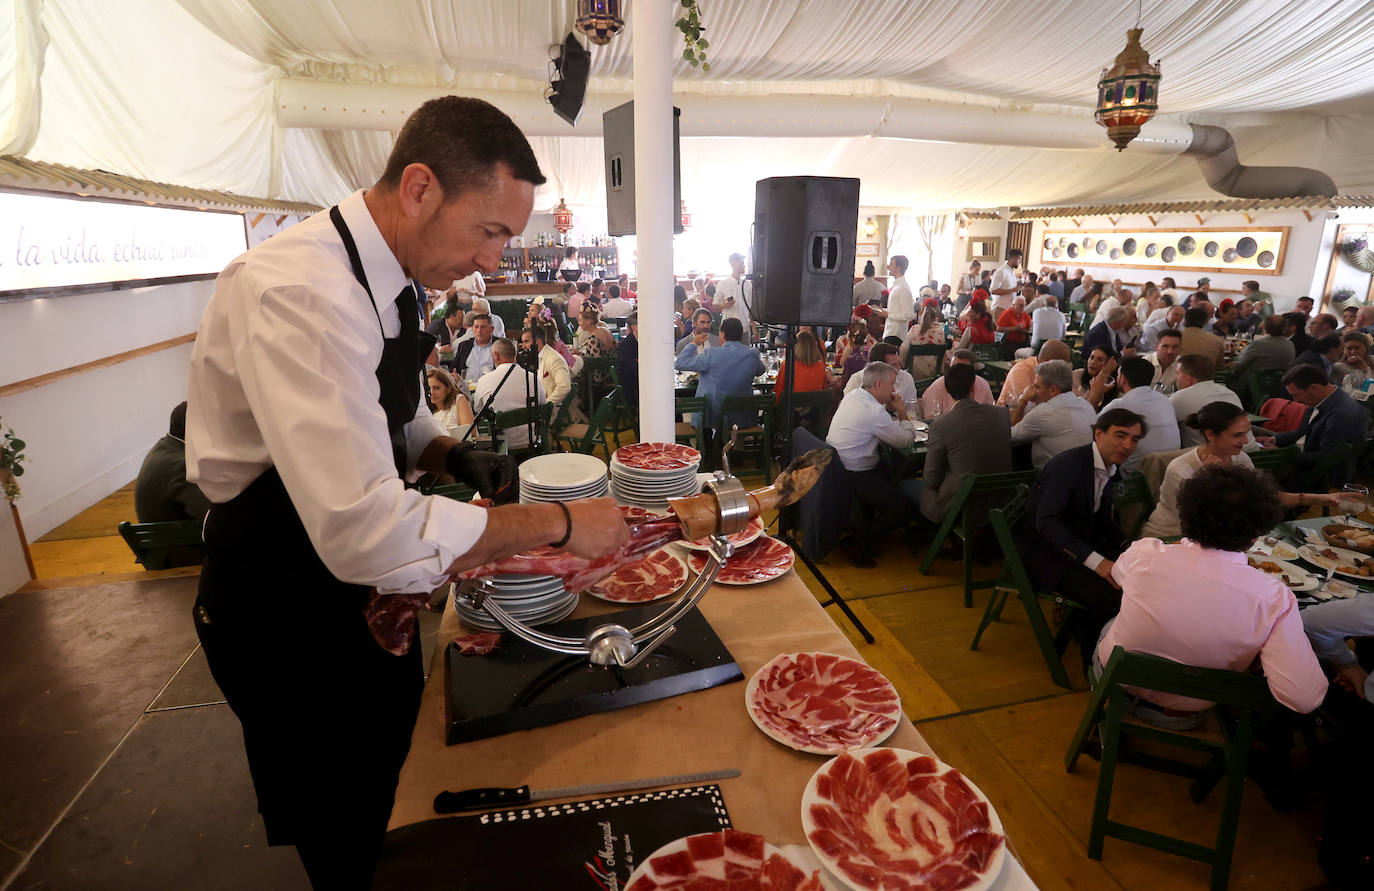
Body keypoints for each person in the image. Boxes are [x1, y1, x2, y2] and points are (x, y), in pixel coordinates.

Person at [183, 96, 628, 886]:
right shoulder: (297, 292)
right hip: (286, 607)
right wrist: (556, 523)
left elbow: (397, 408)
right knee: (352, 835)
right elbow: (365, 531)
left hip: (357, 598)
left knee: (401, 787)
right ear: (420, 188)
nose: (495, 261)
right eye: (490, 232)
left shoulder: (394, 272)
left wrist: (450, 453)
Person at [1101, 464, 1327, 729]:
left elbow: (1118, 574)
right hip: (1189, 713)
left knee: (1113, 623)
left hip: (1117, 686)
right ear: (1256, 536)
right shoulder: (1274, 599)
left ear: (1185, 515)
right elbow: (1304, 698)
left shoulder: (1144, 555)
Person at [1015, 409, 1144, 668]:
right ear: (1098, 433)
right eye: (1120, 435)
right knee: (1115, 595)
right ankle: (1095, 664)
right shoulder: (1069, 466)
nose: (1128, 445)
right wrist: (1098, 563)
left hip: (1074, 544)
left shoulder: (1109, 466)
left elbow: (1102, 519)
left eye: (1134, 439)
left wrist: (1130, 547)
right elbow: (1046, 523)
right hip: (1043, 554)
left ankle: (1101, 640)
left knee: (1141, 579)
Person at [1143, 402, 1338, 539]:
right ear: (1210, 434)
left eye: (1247, 433)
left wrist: (1324, 499)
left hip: (1217, 538)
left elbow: (1261, 496)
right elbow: (1209, 519)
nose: (1245, 441)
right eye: (1237, 435)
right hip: (1171, 539)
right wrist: (1214, 479)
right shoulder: (1181, 469)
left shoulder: (1239, 457)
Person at [826, 361, 919, 566]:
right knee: (903, 508)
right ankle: (860, 540)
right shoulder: (874, 412)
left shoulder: (853, 396)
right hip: (855, 473)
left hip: (836, 466)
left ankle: (862, 529)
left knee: (891, 469)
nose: (894, 389)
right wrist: (902, 411)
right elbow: (906, 440)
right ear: (878, 385)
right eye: (892, 384)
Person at [919, 364, 1011, 523]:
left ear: (946, 391)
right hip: (1001, 500)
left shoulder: (940, 425)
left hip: (961, 505)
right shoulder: (1002, 414)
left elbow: (932, 479)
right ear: (974, 387)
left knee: (909, 486)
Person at [1258, 363, 1368, 487]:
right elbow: (1303, 431)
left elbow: (1325, 457)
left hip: (1323, 474)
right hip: (1306, 458)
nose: (1296, 400)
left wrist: (1283, 454)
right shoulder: (1320, 399)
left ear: (1315, 388)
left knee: (1257, 475)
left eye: (1297, 395)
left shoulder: (1341, 415)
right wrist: (1275, 439)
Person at [674, 316, 765, 434]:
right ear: (741, 334)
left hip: (714, 416)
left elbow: (680, 363)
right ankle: (734, 450)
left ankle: (709, 447)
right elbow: (761, 371)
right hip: (742, 416)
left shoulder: (711, 354)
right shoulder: (752, 354)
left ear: (722, 334)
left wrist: (694, 343)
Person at [1098, 356, 1180, 474]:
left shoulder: (1121, 405)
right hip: (1168, 469)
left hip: (1135, 475)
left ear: (1123, 379)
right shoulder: (1164, 400)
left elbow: (1091, 429)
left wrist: (1095, 396)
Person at [135, 401, 212, 527]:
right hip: (181, 544)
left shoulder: (164, 448)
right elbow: (210, 513)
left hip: (162, 541)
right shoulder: (181, 465)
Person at [1009, 358, 1097, 467]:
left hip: (1054, 478)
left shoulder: (1043, 413)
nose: (1034, 391)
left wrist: (1023, 400)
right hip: (1085, 474)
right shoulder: (1086, 405)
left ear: (1052, 390)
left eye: (1037, 387)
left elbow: (1009, 437)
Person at [472, 338, 546, 451]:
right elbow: (541, 405)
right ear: (515, 355)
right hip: (533, 443)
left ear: (495, 356)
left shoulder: (484, 381)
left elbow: (478, 410)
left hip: (502, 447)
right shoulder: (533, 378)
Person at [1168, 354, 1243, 446]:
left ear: (1188, 379)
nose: (1176, 378)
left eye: (1178, 373)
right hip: (1253, 454)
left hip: (1213, 457)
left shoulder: (1180, 397)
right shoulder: (1231, 393)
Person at [1228, 313, 1296, 399]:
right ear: (1284, 328)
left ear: (1264, 327)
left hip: (1249, 390)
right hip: (1275, 390)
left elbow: (1238, 367)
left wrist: (1230, 366)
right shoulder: (1290, 344)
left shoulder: (1257, 344)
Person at [919, 348, 992, 417]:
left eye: (962, 370)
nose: (956, 373)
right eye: (953, 369)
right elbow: (931, 419)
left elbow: (989, 414)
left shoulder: (983, 385)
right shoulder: (937, 387)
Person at [845, 342, 918, 407]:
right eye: (893, 365)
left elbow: (911, 409)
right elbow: (848, 408)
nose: (899, 367)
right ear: (878, 367)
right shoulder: (856, 380)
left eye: (898, 362)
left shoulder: (906, 378)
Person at [999, 339, 1069, 407]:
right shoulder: (1021, 370)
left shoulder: (1056, 373)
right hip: (1008, 415)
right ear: (1050, 362)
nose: (1065, 368)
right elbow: (1026, 406)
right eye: (1063, 364)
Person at [520, 324, 572, 412]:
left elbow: (564, 387)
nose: (523, 346)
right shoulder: (531, 359)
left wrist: (546, 406)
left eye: (526, 342)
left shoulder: (554, 359)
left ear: (538, 342)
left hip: (551, 412)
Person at [774, 329, 833, 403]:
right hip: (814, 411)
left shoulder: (789, 366)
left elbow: (778, 393)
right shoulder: (821, 367)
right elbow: (823, 391)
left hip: (790, 411)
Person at [716, 251, 756, 341]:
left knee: (745, 354)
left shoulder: (748, 284)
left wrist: (753, 327)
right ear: (733, 264)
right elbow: (715, 307)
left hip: (745, 329)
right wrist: (724, 306)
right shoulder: (723, 284)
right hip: (728, 330)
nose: (744, 266)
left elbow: (750, 308)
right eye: (741, 263)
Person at [899, 304, 946, 378]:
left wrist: (903, 365)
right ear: (936, 318)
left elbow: (903, 350)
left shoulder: (914, 330)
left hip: (914, 374)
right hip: (932, 375)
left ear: (921, 315)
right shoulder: (940, 332)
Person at [876, 254, 915, 341]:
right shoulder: (897, 285)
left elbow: (909, 314)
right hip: (890, 331)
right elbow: (896, 310)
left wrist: (887, 314)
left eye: (891, 264)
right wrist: (881, 310)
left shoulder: (902, 287)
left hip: (896, 335)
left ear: (898, 267)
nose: (888, 266)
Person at [426, 365, 475, 431]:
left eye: (436, 388)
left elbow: (470, 431)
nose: (432, 393)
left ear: (448, 388)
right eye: (429, 389)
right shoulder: (425, 407)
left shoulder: (459, 400)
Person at [452, 311, 497, 383]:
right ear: (472, 328)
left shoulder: (499, 345)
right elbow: (454, 369)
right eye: (476, 327)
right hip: (466, 389)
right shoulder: (464, 346)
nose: (479, 330)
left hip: (491, 388)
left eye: (483, 327)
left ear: (491, 329)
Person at [616, 312, 640, 408]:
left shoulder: (647, 341)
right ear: (634, 328)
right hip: (634, 390)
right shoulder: (626, 345)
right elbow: (634, 370)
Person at [988, 249, 1021, 313]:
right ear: (1013, 258)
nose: (1020, 262)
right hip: (1000, 308)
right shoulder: (1001, 271)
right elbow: (993, 291)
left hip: (1008, 308)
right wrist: (1012, 290)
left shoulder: (1011, 272)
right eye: (1019, 259)